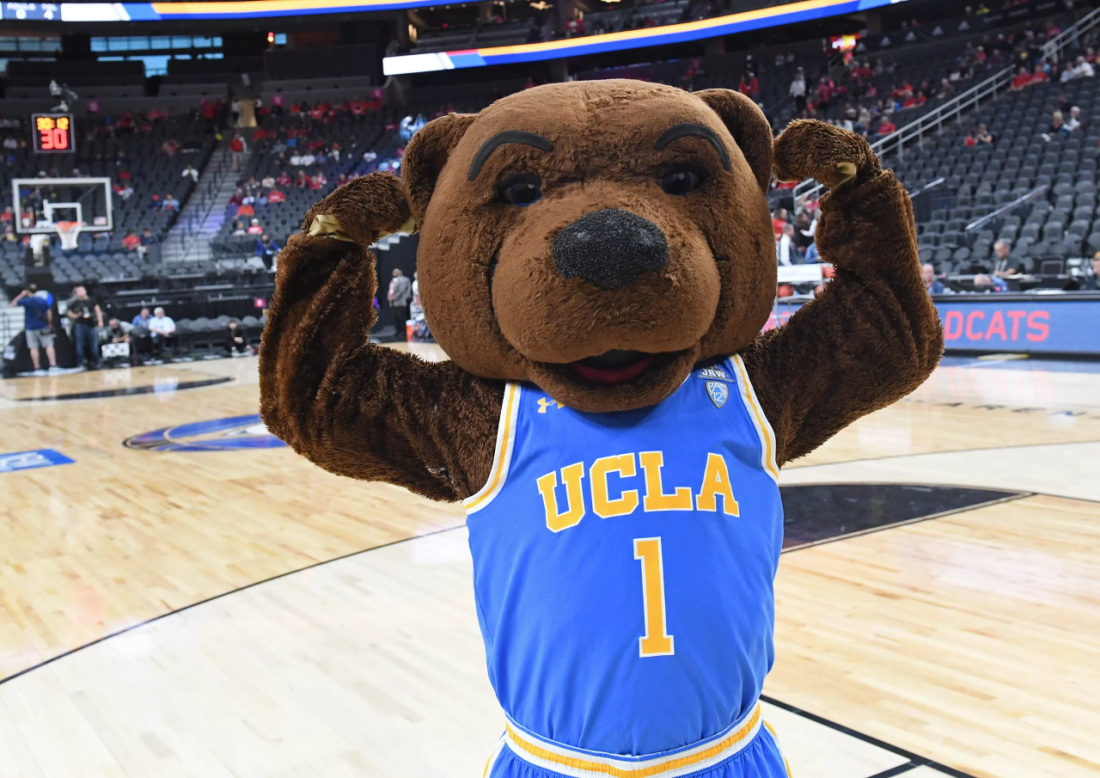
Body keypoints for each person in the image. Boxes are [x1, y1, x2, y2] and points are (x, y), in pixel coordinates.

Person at [11, 285, 56, 373]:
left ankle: (37, 367)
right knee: (49, 345)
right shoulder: (42, 300)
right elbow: (49, 312)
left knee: (33, 347)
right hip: (43, 326)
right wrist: (49, 323)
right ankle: (53, 365)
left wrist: (21, 295)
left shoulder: (26, 301)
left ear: (28, 291)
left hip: (30, 327)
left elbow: (13, 304)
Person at [66, 285, 103, 369]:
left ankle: (97, 361)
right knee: (79, 345)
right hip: (80, 324)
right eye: (79, 291)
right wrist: (75, 316)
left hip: (91, 324)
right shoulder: (74, 302)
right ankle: (80, 363)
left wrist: (100, 321)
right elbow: (69, 312)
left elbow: (97, 310)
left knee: (94, 344)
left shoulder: (91, 300)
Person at [387, 268, 413, 340]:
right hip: (393, 303)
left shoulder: (401, 280)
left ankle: (403, 332)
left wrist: (393, 298)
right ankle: (397, 331)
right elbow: (390, 291)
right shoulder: (392, 281)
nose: (394, 273)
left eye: (395, 272)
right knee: (395, 318)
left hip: (400, 302)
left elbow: (401, 291)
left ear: (399, 272)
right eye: (393, 271)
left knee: (401, 317)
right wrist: (389, 297)